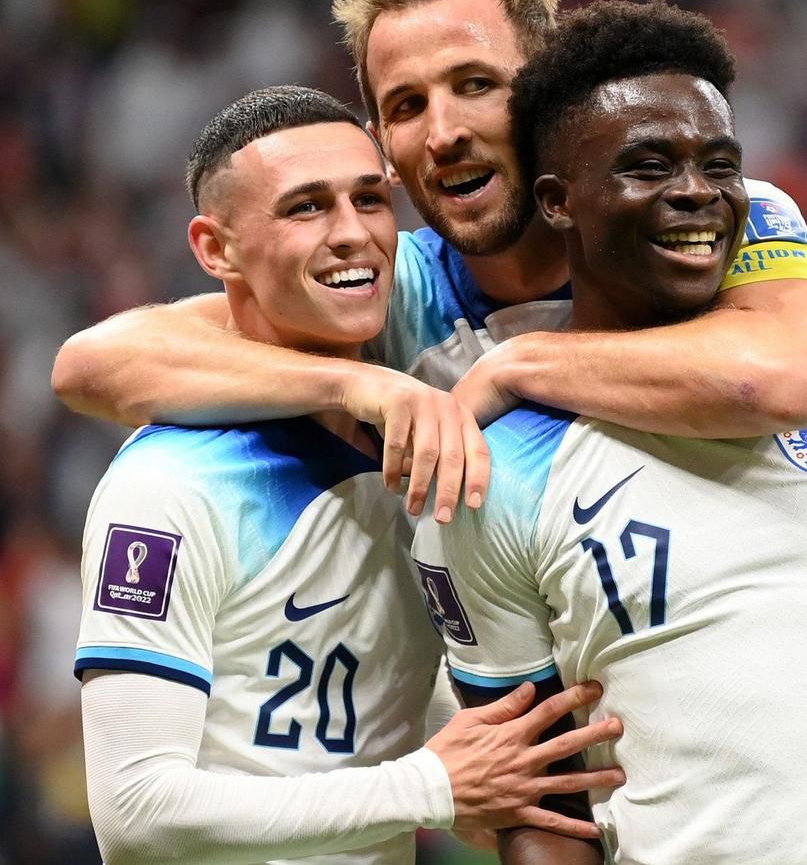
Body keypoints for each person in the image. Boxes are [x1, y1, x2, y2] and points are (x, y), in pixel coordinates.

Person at [411, 0, 807, 864]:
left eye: (720, 164)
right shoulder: (492, 470)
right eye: (649, 165)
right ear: (557, 201)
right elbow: (538, 807)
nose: (696, 192)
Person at [51, 0, 807, 527]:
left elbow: (780, 377)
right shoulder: (387, 295)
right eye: (406, 107)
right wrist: (356, 383)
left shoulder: (697, 213)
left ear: (547, 98)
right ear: (386, 152)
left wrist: (521, 365)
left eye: (475, 86)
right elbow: (93, 364)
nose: (443, 133)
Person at [74, 85, 625, 865]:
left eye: (370, 200)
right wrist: (430, 787)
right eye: (306, 208)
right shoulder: (168, 486)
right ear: (215, 249)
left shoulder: (413, 460)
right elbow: (137, 811)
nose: (352, 235)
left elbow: (370, 715)